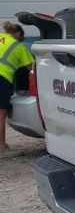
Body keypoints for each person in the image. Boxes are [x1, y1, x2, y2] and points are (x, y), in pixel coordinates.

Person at [0, 21, 34, 157]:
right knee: (1, 115)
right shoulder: (19, 47)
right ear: (18, 33)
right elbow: (32, 69)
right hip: (2, 78)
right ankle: (1, 146)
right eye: (22, 37)